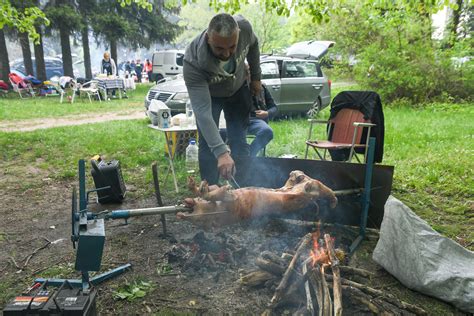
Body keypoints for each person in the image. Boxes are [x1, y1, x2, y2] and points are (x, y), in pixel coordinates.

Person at [183, 13, 262, 185]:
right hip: (211, 96)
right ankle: (210, 190)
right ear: (208, 38)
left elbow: (254, 45)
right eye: (219, 48)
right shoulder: (193, 61)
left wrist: (256, 77)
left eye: (232, 47)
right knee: (207, 144)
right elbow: (203, 112)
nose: (226, 53)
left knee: (239, 139)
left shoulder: (245, 28)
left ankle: (243, 187)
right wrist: (221, 152)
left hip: (239, 88)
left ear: (239, 34)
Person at [248, 84, 277, 156]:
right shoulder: (236, 87)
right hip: (236, 122)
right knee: (221, 133)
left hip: (256, 121)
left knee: (267, 132)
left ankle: (249, 155)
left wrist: (267, 113)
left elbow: (274, 108)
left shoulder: (262, 87)